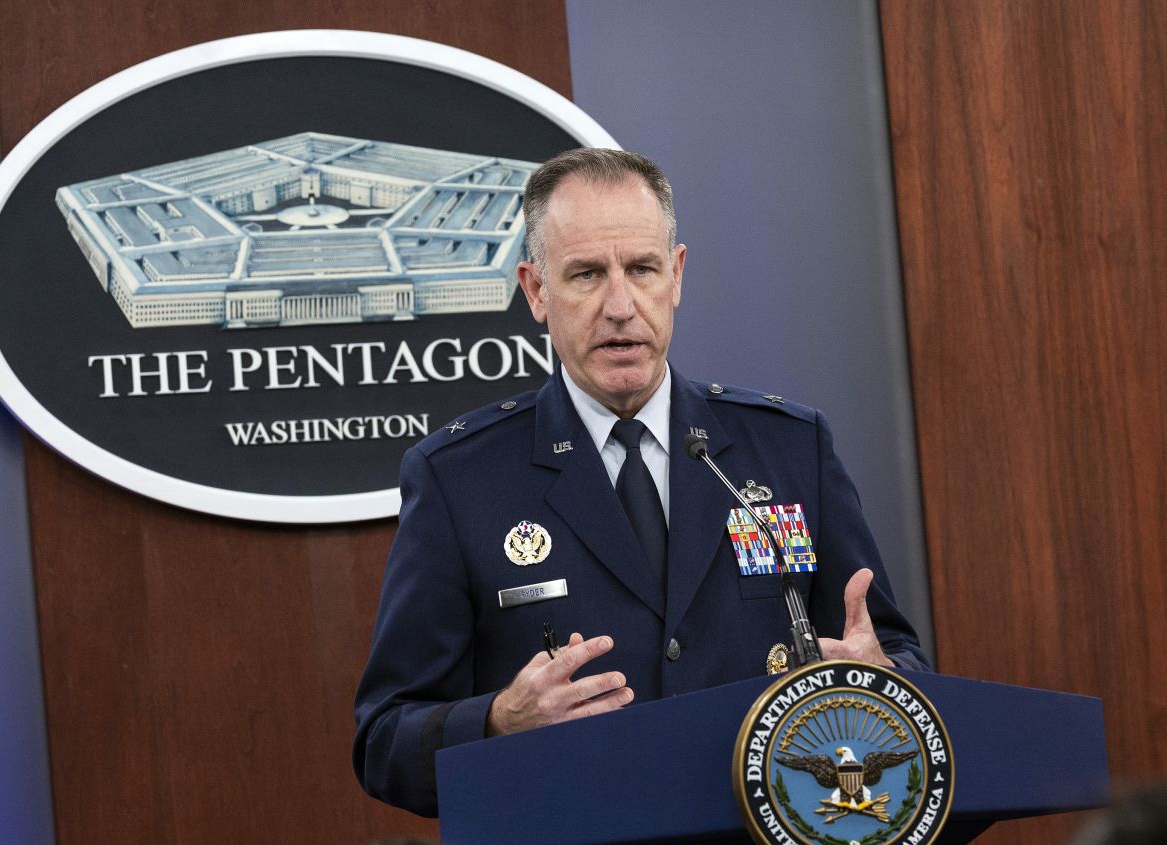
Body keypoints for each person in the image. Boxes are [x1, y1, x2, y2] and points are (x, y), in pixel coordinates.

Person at [352, 148, 929, 816]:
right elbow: (383, 737)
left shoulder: (788, 449)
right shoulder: (460, 480)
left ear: (676, 276)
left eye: (642, 269)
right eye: (587, 274)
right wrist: (495, 722)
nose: (620, 305)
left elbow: (895, 654)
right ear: (537, 291)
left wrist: (882, 678)